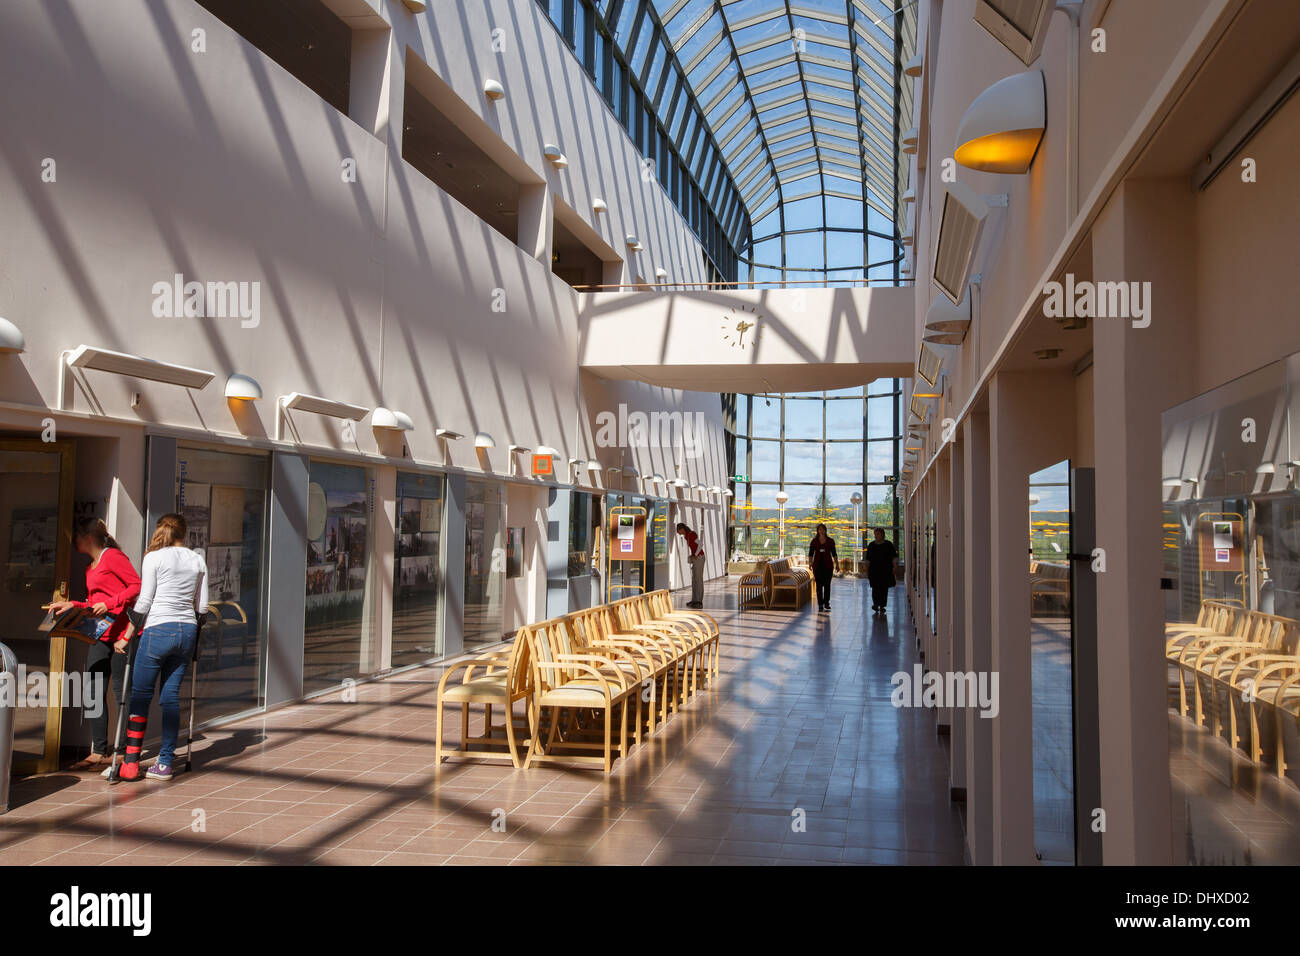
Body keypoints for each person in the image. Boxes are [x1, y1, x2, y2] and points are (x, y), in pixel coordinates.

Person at [118, 513, 208, 782]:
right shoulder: (197, 559)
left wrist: (126, 635)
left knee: (140, 696)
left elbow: (144, 602)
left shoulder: (153, 558)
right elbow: (202, 607)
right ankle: (165, 763)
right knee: (170, 697)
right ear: (185, 533)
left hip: (158, 629)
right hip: (187, 631)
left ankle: (131, 763)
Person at [46, 518, 140, 771]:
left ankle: (123, 749)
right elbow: (94, 601)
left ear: (87, 537)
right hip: (100, 634)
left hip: (123, 633)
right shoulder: (91, 567)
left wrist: (110, 604)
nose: (74, 542)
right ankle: (99, 750)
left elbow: (137, 586)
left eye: (76, 536)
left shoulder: (113, 557)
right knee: (93, 691)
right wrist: (73, 606)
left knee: (122, 692)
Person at [865, 527, 899, 615]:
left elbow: (894, 557)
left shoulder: (888, 545)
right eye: (875, 534)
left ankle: (882, 605)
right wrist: (867, 569)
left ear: (882, 535)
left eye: (878, 534)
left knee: (884, 589)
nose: (876, 536)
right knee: (875, 588)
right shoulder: (871, 545)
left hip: (885, 571)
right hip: (874, 571)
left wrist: (895, 567)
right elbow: (868, 559)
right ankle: (876, 604)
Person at [808, 523, 838, 612]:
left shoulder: (830, 541)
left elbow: (834, 554)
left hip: (828, 566)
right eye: (819, 529)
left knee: (827, 585)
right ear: (817, 531)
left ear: (825, 530)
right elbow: (810, 554)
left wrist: (837, 564)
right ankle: (820, 604)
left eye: (823, 529)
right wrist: (810, 563)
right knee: (819, 586)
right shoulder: (814, 541)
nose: (821, 531)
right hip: (817, 566)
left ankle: (826, 603)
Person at [676, 522, 705, 609]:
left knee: (698, 579)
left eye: (678, 530)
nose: (677, 532)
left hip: (699, 558)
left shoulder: (691, 534)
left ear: (682, 529)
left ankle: (699, 601)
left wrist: (695, 554)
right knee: (694, 580)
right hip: (696, 558)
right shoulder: (686, 536)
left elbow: (700, 544)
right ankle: (694, 599)